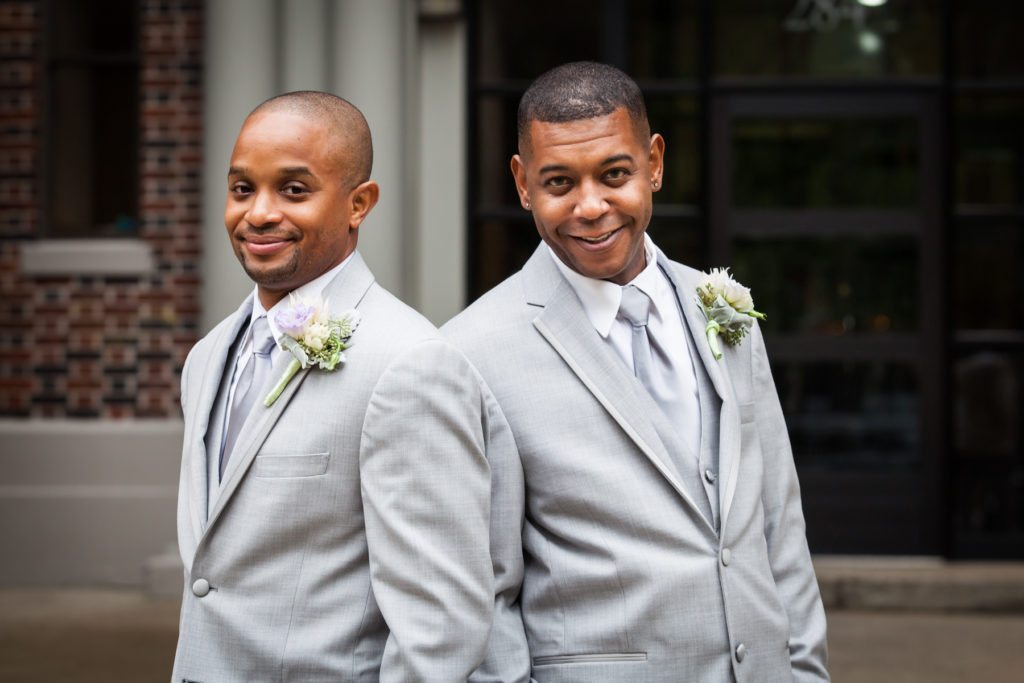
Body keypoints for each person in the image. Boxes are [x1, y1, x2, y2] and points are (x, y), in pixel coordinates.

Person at [446, 62, 829, 681]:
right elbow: (483, 594)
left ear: (654, 163)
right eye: (559, 182)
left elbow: (779, 526)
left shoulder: (727, 313)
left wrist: (805, 672)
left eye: (615, 175)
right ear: (521, 184)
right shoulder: (469, 354)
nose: (591, 206)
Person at [172, 91, 492, 682]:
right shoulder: (207, 357)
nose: (259, 214)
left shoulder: (408, 363)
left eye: (294, 190)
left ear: (359, 203)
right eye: (243, 189)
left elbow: (441, 622)